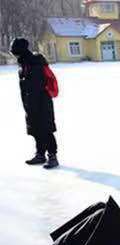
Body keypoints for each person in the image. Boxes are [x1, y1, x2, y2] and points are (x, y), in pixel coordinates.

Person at [10, 38, 58, 169]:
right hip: (30, 103)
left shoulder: (35, 63)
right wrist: (28, 105)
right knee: (36, 130)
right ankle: (40, 155)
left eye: (15, 52)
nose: (14, 55)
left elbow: (36, 87)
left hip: (41, 103)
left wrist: (33, 105)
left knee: (46, 129)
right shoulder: (24, 64)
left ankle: (52, 156)